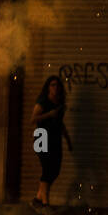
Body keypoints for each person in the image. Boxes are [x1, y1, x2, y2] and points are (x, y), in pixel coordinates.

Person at [30, 75, 72, 207]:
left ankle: (38, 198)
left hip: (54, 138)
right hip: (41, 136)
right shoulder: (43, 101)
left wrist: (68, 140)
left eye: (57, 85)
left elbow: (60, 124)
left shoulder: (59, 103)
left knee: (55, 170)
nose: (55, 87)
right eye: (52, 85)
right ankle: (45, 202)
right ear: (48, 87)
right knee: (48, 169)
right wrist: (49, 114)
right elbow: (33, 119)